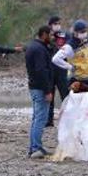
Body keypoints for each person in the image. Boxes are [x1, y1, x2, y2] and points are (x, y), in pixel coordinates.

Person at [25, 26, 54, 159]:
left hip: (35, 86)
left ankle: (35, 146)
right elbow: (41, 70)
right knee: (40, 119)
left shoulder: (33, 46)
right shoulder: (39, 49)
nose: (52, 37)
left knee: (37, 118)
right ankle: (35, 147)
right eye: (50, 35)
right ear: (44, 34)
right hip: (40, 88)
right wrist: (47, 90)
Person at [52, 19, 88, 92]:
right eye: (82, 31)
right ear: (75, 32)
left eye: (85, 31)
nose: (84, 33)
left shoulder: (87, 41)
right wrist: (70, 67)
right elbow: (56, 59)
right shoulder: (70, 46)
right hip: (77, 80)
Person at [46, 16, 70, 127]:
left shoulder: (65, 35)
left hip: (61, 69)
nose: (57, 25)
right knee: (49, 95)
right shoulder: (45, 35)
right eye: (55, 23)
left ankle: (68, 118)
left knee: (65, 94)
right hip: (49, 70)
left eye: (59, 23)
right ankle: (48, 120)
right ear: (50, 24)